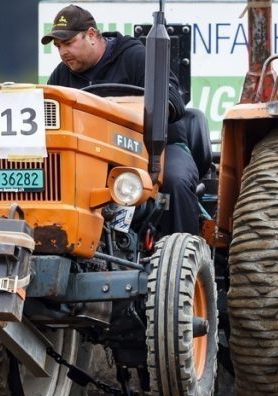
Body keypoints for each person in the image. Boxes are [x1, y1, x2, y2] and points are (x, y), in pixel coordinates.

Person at [41, 4, 200, 236]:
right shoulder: (61, 76)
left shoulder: (134, 57)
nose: (63, 52)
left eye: (68, 43)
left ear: (92, 35)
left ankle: (184, 255)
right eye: (58, 46)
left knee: (175, 181)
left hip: (157, 146)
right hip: (95, 154)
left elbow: (173, 97)